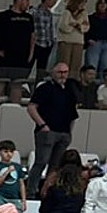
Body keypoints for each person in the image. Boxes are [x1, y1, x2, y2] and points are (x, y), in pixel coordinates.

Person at [25, 62, 78, 195]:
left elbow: (73, 114)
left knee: (55, 166)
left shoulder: (70, 89)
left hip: (64, 132)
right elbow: (31, 107)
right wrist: (42, 125)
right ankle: (31, 190)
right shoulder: (44, 88)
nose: (63, 75)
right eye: (60, 72)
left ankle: (47, 191)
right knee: (41, 162)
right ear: (53, 73)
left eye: (65, 72)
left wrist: (70, 132)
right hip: (47, 131)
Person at [0, 0, 35, 105]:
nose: (28, 3)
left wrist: (31, 53)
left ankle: (13, 110)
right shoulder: (3, 16)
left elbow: (32, 36)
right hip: (4, 57)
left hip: (22, 58)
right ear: (19, 0)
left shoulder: (29, 18)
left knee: (17, 85)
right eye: (26, 0)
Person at [0, 140, 27, 212]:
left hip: (15, 198)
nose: (9, 154)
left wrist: (23, 200)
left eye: (11, 152)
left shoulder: (18, 167)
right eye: (5, 151)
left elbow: (21, 184)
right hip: (0, 197)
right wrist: (7, 172)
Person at [29, 0, 58, 82]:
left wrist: (52, 41)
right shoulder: (34, 11)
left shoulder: (49, 13)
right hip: (36, 43)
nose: (54, 2)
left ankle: (39, 85)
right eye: (53, 0)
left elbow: (50, 28)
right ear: (47, 0)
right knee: (29, 65)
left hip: (47, 43)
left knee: (42, 68)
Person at [56, 0, 89, 71]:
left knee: (76, 65)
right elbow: (63, 26)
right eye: (82, 2)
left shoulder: (84, 14)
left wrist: (76, 25)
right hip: (66, 42)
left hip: (78, 42)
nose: (84, 4)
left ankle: (73, 81)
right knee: (64, 63)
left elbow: (86, 27)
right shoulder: (66, 12)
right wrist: (76, 25)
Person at [85, 0, 107, 75]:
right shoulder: (91, 17)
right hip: (95, 43)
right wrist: (88, 39)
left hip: (106, 44)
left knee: (106, 67)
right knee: (92, 66)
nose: (103, 5)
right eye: (101, 3)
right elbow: (87, 30)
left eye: (105, 3)